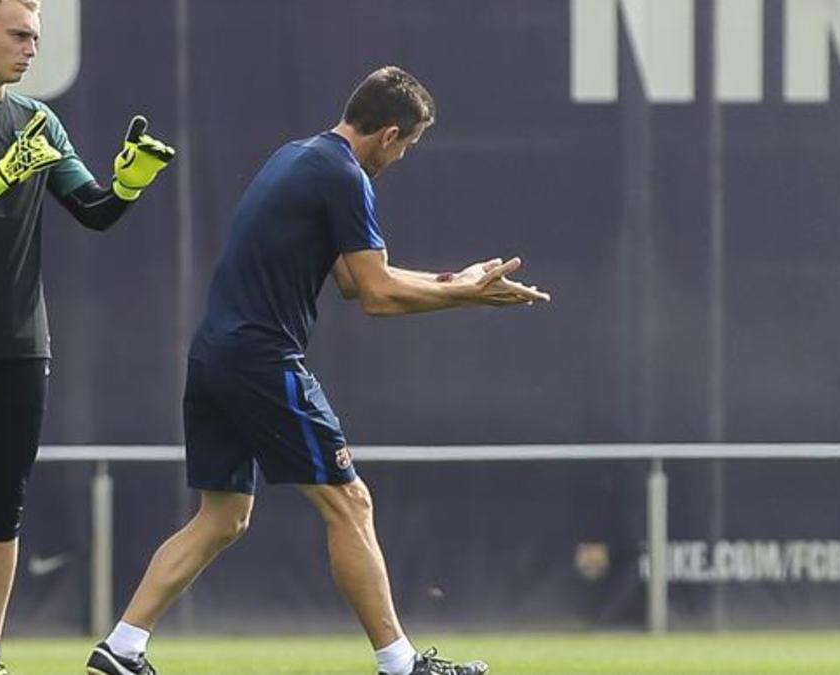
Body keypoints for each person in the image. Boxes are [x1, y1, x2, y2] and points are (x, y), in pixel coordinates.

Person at [86, 66, 549, 675]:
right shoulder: (344, 175)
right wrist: (469, 297)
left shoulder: (299, 157)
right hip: (261, 358)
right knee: (349, 503)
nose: (402, 157)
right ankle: (401, 665)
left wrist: (452, 280)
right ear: (388, 134)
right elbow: (379, 296)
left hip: (214, 355)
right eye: (406, 145)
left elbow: (356, 282)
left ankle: (121, 647)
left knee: (223, 516)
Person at [0, 1, 174, 673]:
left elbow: (93, 209)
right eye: (19, 34)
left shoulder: (39, 122)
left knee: (1, 502)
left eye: (37, 37)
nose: (31, 48)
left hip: (24, 342)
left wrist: (129, 181)